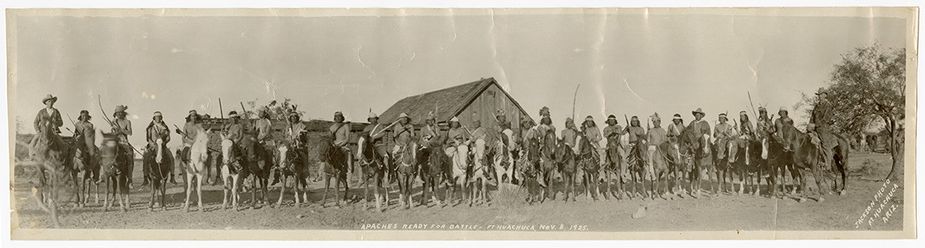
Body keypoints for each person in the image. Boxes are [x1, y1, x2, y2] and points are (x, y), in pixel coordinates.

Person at [144, 111, 173, 186]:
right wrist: (153, 144)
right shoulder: (150, 128)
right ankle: (145, 177)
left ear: (161, 118)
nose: (158, 118)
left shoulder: (165, 127)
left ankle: (172, 176)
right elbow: (148, 138)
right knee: (146, 157)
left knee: (171, 157)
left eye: (159, 117)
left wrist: (164, 143)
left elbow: (168, 138)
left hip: (163, 146)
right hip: (152, 146)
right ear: (154, 118)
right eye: (156, 117)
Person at [111, 105, 134, 186]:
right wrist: (115, 132)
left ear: (123, 113)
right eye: (118, 113)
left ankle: (130, 179)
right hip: (115, 142)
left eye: (121, 113)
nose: (119, 114)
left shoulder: (127, 122)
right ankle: (104, 175)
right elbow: (112, 133)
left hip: (124, 142)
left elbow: (130, 133)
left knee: (130, 156)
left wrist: (122, 130)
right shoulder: (113, 122)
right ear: (116, 114)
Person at [446, 116, 469, 186]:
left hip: (461, 145)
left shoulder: (461, 130)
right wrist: (455, 144)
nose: (455, 124)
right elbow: (451, 139)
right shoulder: (450, 131)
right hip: (453, 146)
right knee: (448, 156)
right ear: (451, 124)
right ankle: (449, 173)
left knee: (468, 156)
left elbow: (464, 138)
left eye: (456, 123)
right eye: (453, 123)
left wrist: (465, 145)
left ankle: (469, 174)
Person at [646, 113, 667, 181]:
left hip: (661, 148)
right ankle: (652, 174)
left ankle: (666, 172)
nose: (655, 123)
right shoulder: (650, 131)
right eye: (654, 122)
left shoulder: (663, 130)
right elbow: (648, 140)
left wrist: (660, 144)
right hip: (652, 147)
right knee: (650, 159)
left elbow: (664, 140)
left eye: (657, 122)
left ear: (659, 122)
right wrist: (650, 144)